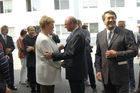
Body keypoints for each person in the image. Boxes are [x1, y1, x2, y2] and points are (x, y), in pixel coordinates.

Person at [94, 10, 137, 93]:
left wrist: (117, 54)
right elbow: (98, 55)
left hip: (121, 76)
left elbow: (134, 51)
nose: (111, 20)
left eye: (113, 18)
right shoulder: (100, 35)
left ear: (116, 19)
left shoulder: (125, 33)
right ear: (104, 21)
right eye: (108, 18)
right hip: (106, 77)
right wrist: (98, 70)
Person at [44, 16, 87, 93]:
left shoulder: (78, 35)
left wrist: (53, 55)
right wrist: (66, 61)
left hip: (76, 71)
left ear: (72, 24)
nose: (64, 26)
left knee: (77, 90)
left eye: (66, 24)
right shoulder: (75, 33)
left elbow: (71, 53)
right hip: (75, 70)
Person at [36, 15, 62, 93]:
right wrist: (60, 64)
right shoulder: (43, 39)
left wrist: (58, 49)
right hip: (46, 73)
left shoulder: (46, 36)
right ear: (46, 25)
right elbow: (50, 58)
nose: (53, 27)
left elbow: (51, 51)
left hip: (48, 73)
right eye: (52, 25)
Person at [77, 20, 97, 91]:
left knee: (90, 71)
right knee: (80, 72)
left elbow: (87, 41)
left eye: (78, 25)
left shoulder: (86, 32)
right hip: (78, 56)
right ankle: (82, 86)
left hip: (86, 54)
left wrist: (78, 38)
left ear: (80, 25)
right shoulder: (73, 33)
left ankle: (93, 86)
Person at [118, 21, 136, 93]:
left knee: (130, 71)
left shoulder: (129, 32)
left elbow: (133, 44)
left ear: (125, 25)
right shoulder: (116, 33)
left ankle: (132, 87)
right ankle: (121, 87)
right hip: (119, 56)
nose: (121, 27)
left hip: (128, 56)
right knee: (120, 71)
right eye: (120, 26)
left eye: (122, 26)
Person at [23, 26, 40, 93]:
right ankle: (33, 89)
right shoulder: (25, 39)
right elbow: (27, 49)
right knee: (31, 77)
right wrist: (34, 48)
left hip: (38, 60)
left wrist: (33, 48)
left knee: (38, 76)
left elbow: (39, 47)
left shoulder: (37, 38)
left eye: (33, 30)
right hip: (30, 61)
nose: (33, 31)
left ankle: (39, 89)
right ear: (28, 31)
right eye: (31, 30)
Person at [0, 25, 17, 90]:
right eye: (6, 30)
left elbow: (13, 46)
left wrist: (11, 49)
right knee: (4, 72)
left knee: (11, 71)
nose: (7, 31)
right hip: (2, 57)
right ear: (2, 30)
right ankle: (5, 86)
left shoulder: (10, 37)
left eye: (7, 30)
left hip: (10, 57)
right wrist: (4, 54)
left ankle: (11, 85)